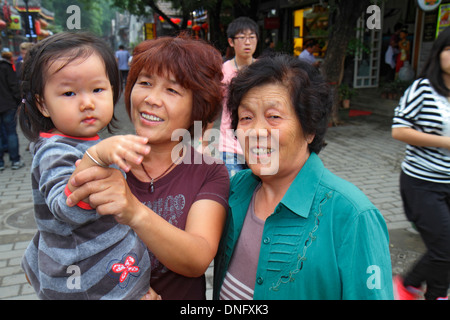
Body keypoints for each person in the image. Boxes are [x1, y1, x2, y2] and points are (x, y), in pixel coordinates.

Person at [213, 54, 394, 300]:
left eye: (273, 117)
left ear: (309, 128)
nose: (256, 132)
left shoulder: (353, 216)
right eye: (246, 118)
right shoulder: (234, 190)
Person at [66, 34, 230, 300]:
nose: (151, 99)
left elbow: (197, 258)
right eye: (145, 83)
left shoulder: (208, 171)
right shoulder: (100, 161)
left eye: (172, 90)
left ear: (197, 108)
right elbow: (56, 250)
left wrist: (133, 211)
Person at [18, 32, 152, 300]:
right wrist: (96, 157)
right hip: (88, 286)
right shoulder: (54, 150)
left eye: (97, 89)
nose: (87, 102)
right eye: (69, 92)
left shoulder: (83, 141)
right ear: (42, 104)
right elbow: (65, 207)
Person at [391, 27, 450, 300]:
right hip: (422, 183)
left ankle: (424, 289)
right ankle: (421, 288)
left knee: (445, 248)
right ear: (438, 54)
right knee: (444, 249)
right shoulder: (423, 89)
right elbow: (399, 130)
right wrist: (445, 142)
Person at [204, 17, 259, 177]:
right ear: (231, 41)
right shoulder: (223, 71)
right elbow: (213, 110)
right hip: (230, 145)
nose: (247, 42)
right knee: (234, 193)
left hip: (258, 144)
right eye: (242, 38)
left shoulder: (264, 70)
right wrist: (204, 143)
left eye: (252, 37)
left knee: (258, 195)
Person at [0, 48, 24, 171]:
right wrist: (18, 101)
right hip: (8, 104)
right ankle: (15, 160)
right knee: (11, 133)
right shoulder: (5, 66)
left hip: (7, 104)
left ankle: (1, 163)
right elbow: (13, 85)